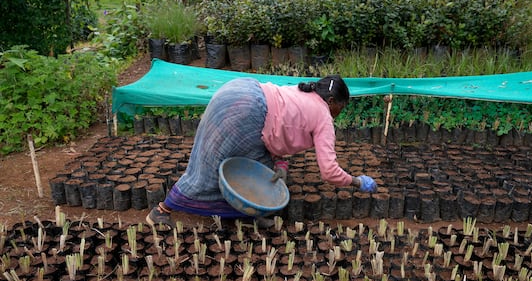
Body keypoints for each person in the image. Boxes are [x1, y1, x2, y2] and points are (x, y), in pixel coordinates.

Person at [146, 75, 378, 228]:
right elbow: (328, 171)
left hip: (241, 89)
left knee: (254, 166)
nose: (340, 112)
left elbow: (280, 127)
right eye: (341, 107)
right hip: (247, 110)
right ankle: (160, 210)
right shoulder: (324, 117)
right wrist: (357, 182)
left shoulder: (303, 93)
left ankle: (246, 216)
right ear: (331, 101)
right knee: (208, 169)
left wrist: (281, 164)